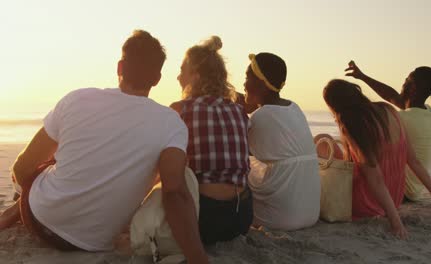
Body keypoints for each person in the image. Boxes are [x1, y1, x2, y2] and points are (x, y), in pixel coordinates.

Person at [0, 30, 208, 263]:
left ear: (120, 68)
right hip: (95, 241)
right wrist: (199, 258)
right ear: (157, 79)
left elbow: (22, 168)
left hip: (40, 220)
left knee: (51, 162)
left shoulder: (77, 99)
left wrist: (29, 194)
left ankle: (14, 210)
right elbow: (174, 193)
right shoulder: (171, 123)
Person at [316, 79, 431, 239]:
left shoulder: (353, 124)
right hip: (394, 197)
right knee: (327, 139)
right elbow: (414, 161)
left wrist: (396, 224)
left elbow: (375, 180)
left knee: (321, 139)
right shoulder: (389, 110)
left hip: (368, 203)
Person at [170, 36, 252, 245]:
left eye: (182, 71)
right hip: (242, 217)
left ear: (195, 77)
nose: (178, 77)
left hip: (205, 218)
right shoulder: (238, 110)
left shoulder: (180, 110)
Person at [345, 61, 431, 201]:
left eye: (406, 81)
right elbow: (393, 97)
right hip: (414, 191)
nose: (402, 84)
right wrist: (363, 77)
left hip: (399, 191)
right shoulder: (427, 112)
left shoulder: (403, 119)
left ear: (412, 88)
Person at [244, 52, 320, 230]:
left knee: (237, 165)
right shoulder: (294, 107)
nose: (244, 84)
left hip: (282, 219)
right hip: (311, 214)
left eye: (247, 77)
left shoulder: (260, 117)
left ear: (262, 84)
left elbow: (238, 150)